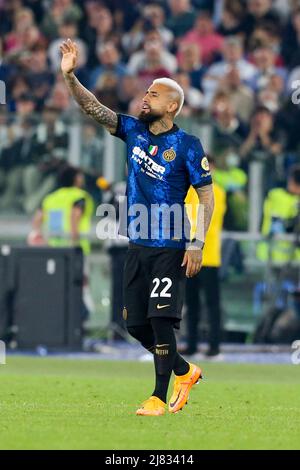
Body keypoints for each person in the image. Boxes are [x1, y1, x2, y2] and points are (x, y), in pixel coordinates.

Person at [60, 38, 214, 416]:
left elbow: (206, 197)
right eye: (146, 92)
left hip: (170, 244)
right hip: (138, 242)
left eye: (155, 94)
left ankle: (158, 398)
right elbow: (93, 108)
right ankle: (184, 370)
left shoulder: (188, 144)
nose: (146, 97)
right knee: (133, 323)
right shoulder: (133, 130)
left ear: (172, 105)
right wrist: (70, 77)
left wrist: (196, 242)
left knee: (162, 319)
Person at [184, 156, 226, 357]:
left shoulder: (217, 192)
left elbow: (207, 217)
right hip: (191, 254)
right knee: (191, 304)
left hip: (209, 255)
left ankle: (214, 346)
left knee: (211, 304)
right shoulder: (191, 191)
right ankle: (192, 344)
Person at [28, 166, 94, 256]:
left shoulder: (51, 198)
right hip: (75, 248)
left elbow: (37, 220)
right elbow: (74, 217)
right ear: (76, 179)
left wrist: (40, 238)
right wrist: (74, 242)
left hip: (54, 247)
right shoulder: (79, 196)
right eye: (80, 176)